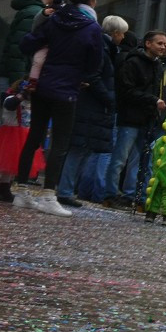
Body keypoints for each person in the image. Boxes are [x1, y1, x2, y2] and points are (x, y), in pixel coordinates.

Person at [12, 0, 104, 216]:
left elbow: (27, 43)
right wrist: (81, 75)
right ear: (91, 1)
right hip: (67, 89)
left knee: (35, 136)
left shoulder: (55, 18)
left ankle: (21, 190)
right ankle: (48, 194)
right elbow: (95, 63)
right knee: (60, 143)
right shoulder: (91, 28)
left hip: (43, 86)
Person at [55, 15, 127, 208]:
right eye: (122, 34)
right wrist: (109, 98)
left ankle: (67, 189)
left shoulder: (104, 48)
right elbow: (94, 77)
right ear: (115, 33)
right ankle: (65, 190)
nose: (123, 38)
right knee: (79, 150)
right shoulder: (103, 50)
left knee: (82, 150)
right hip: (92, 106)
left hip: (91, 106)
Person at [104, 30, 166, 209]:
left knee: (143, 160)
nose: (163, 47)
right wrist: (153, 101)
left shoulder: (158, 65)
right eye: (159, 43)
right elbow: (126, 91)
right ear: (148, 43)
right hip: (131, 117)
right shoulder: (133, 62)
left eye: (165, 44)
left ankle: (133, 195)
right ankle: (111, 194)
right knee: (121, 158)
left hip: (147, 118)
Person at [0, 0, 64, 97]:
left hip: (12, 76)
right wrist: (19, 84)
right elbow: (18, 51)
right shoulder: (35, 14)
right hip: (15, 79)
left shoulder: (33, 11)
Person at [0, 81, 44, 201]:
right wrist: (22, 94)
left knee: (12, 164)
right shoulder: (11, 98)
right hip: (9, 135)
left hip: (22, 135)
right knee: (1, 163)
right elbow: (10, 105)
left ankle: (5, 188)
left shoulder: (29, 102)